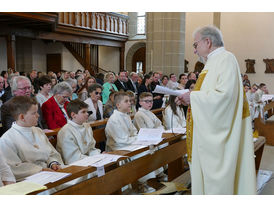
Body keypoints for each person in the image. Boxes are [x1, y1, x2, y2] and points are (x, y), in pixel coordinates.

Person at [176, 25, 256, 195]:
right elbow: (209, 95)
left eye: (195, 45)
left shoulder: (225, 59)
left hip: (219, 140)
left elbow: (225, 97)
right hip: (206, 133)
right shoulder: (213, 61)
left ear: (208, 41)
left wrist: (193, 98)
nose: (195, 50)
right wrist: (189, 99)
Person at [0, 96, 63, 181]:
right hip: (31, 179)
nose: (38, 115)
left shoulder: (38, 131)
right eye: (34, 113)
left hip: (50, 172)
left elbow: (51, 153)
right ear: (22, 117)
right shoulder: (7, 139)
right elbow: (14, 168)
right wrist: (40, 170)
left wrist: (53, 163)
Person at [57, 99, 101, 165]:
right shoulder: (66, 131)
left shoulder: (87, 126)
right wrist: (93, 159)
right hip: (75, 165)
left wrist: (99, 156)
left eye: (87, 111)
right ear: (73, 115)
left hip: (89, 160)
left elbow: (91, 149)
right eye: (83, 112)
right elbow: (73, 158)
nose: (87, 114)